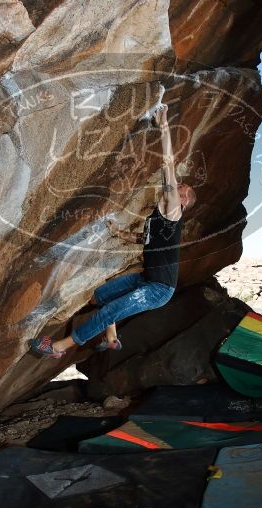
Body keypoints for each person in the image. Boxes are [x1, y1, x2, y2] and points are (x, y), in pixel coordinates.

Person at [28, 104, 197, 358]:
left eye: (182, 189)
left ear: (183, 202)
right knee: (102, 294)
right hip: (146, 279)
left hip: (158, 289)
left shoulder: (174, 211)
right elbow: (146, 239)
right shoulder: (160, 216)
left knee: (108, 312)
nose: (178, 186)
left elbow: (169, 164)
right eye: (180, 185)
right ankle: (112, 338)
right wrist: (120, 232)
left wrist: (163, 125)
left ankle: (56, 348)